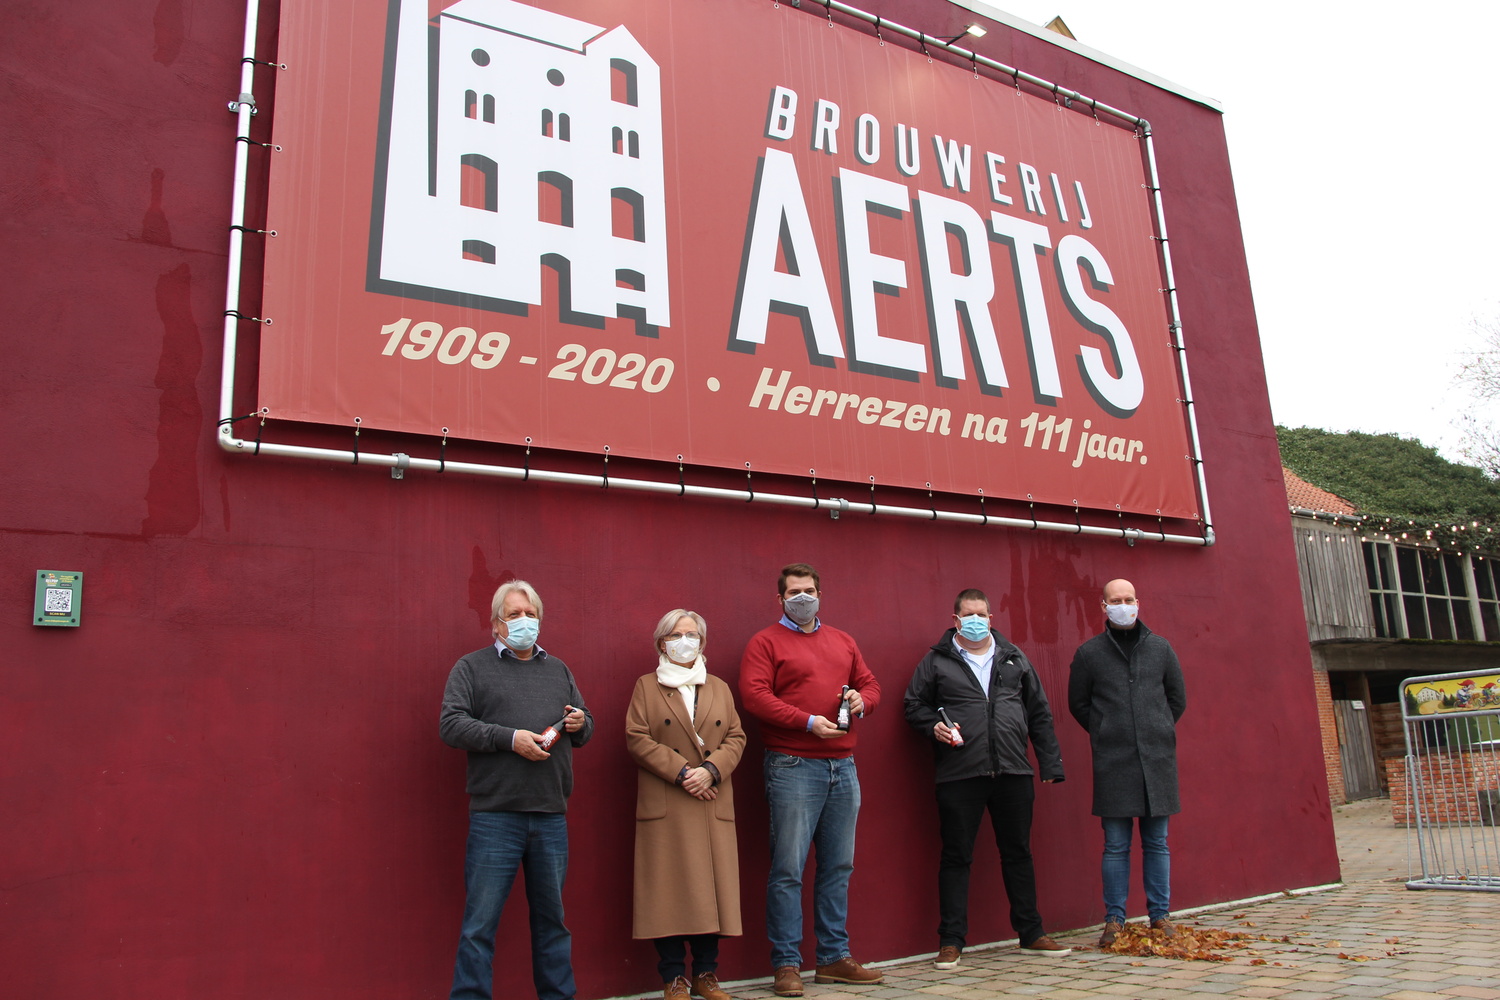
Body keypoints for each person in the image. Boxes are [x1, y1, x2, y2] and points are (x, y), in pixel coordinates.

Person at [439, 580, 595, 1000]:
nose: (523, 621)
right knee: (479, 926)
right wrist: (510, 739)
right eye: (514, 614)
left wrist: (581, 723)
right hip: (496, 817)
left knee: (552, 923)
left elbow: (583, 723)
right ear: (495, 624)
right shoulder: (470, 668)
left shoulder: (559, 669)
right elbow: (451, 725)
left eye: (530, 614)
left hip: (549, 815)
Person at [903, 588, 1072, 969]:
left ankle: (1031, 933)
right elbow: (913, 704)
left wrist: (1050, 765)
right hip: (960, 773)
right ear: (956, 619)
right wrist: (934, 728)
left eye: (983, 614)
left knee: (1018, 853)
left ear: (991, 619)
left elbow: (1039, 713)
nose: (976, 620)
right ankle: (951, 941)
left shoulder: (1014, 658)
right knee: (956, 856)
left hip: (1013, 771)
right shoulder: (936, 661)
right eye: (969, 614)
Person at [739, 563, 883, 998]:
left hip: (843, 767)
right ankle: (786, 964)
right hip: (793, 765)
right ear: (780, 599)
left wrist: (863, 701)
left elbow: (872, 686)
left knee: (838, 865)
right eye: (794, 592)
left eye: (809, 590)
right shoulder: (765, 642)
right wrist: (806, 722)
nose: (803, 597)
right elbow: (754, 695)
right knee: (788, 869)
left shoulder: (843, 640)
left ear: (821, 594)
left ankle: (834, 958)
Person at [626, 610, 747, 1000]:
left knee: (712, 892)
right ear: (662, 643)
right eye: (675, 635)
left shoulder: (720, 688)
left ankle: (706, 975)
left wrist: (711, 769)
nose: (684, 641)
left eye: (691, 635)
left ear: (702, 642)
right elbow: (637, 738)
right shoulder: (646, 687)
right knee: (669, 892)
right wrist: (683, 772)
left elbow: (736, 736)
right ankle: (674, 977)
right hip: (670, 800)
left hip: (712, 801)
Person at [1067, 578, 1186, 948]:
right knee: (1115, 845)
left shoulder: (1161, 649)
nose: (1123, 605)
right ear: (1103, 607)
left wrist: (1157, 728)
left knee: (1158, 843)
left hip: (1157, 761)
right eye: (1115, 600)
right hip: (1113, 762)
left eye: (1128, 599)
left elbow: (1176, 698)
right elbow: (1078, 704)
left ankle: (1160, 916)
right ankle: (1114, 919)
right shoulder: (1089, 654)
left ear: (1139, 602)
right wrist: (1105, 731)